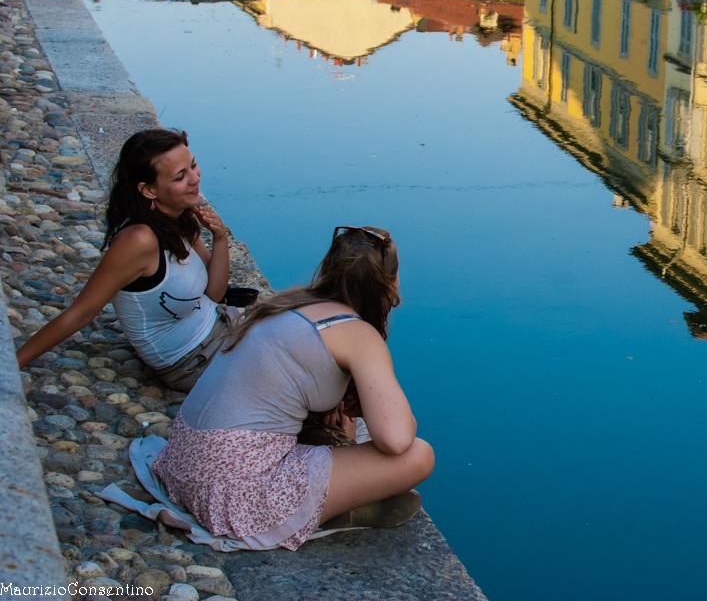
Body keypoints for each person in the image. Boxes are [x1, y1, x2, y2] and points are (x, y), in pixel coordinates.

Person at [149, 226, 435, 549]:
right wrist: (404, 417)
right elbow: (396, 440)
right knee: (419, 456)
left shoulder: (290, 303)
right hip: (233, 493)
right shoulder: (359, 335)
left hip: (185, 463)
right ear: (389, 284)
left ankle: (337, 497)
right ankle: (325, 511)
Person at [16, 128, 233, 391]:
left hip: (221, 326)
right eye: (180, 176)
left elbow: (214, 293)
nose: (195, 178)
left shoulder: (180, 217)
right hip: (191, 361)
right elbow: (79, 314)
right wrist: (11, 365)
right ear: (149, 190)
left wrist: (220, 239)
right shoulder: (138, 241)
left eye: (193, 165)